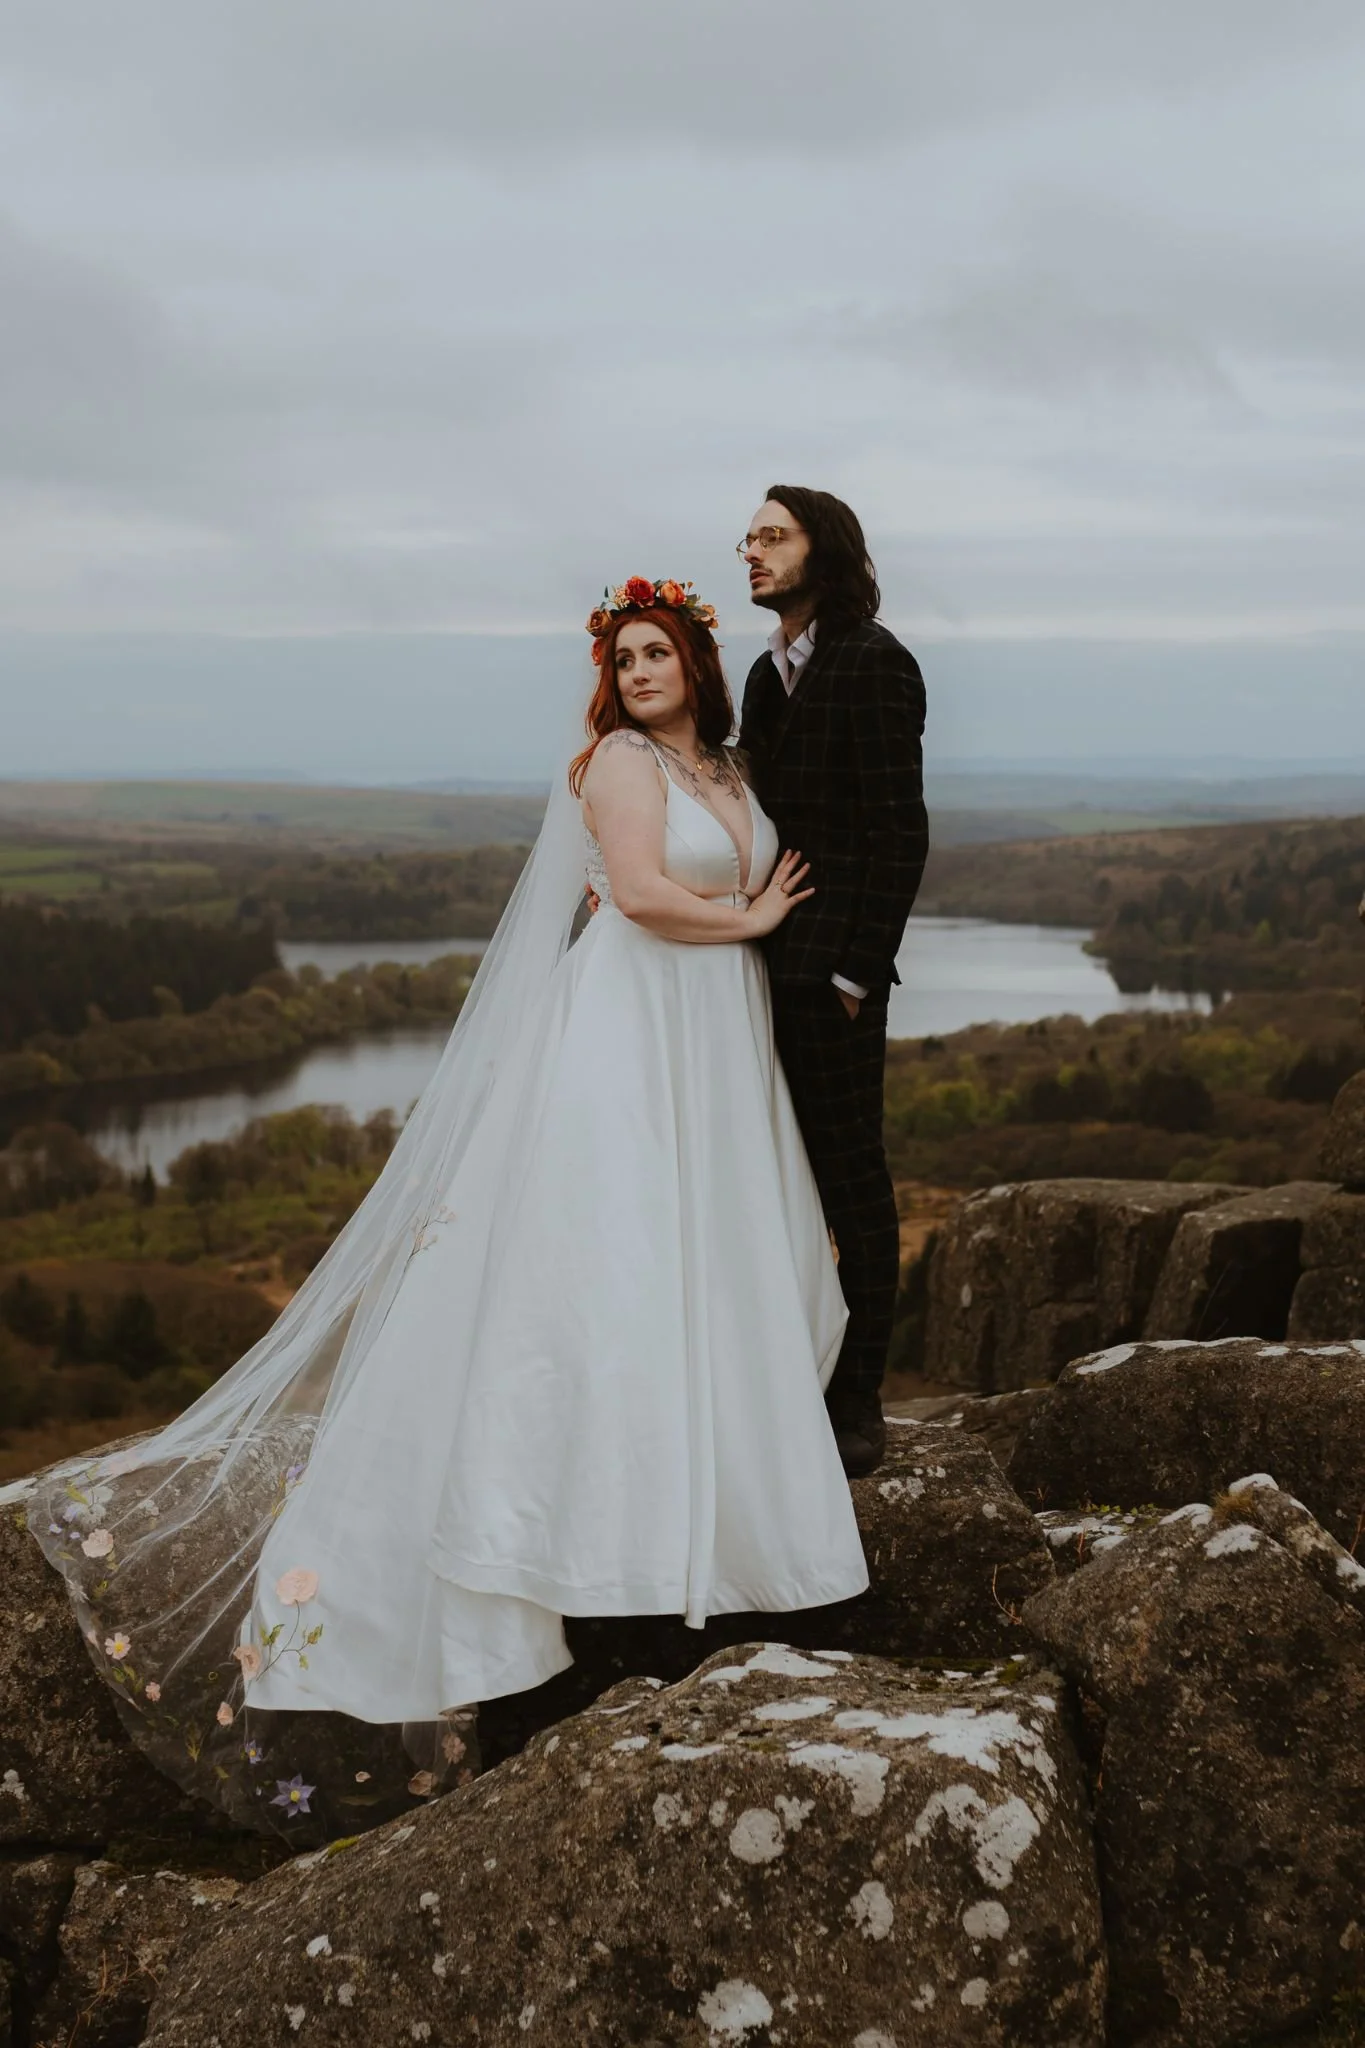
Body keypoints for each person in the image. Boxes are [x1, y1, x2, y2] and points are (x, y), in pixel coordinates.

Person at [15, 575, 869, 1840]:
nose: (638, 671)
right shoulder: (619, 763)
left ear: (695, 658)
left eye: (656, 652)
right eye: (622, 656)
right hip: (635, 1033)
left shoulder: (733, 768)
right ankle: (571, 1552)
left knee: (716, 1269)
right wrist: (752, 916)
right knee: (608, 1268)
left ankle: (716, 1531)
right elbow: (634, 894)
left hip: (717, 1038)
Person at [739, 488, 929, 1477]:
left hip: (833, 977)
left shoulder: (875, 660)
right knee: (774, 1178)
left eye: (772, 535)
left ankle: (856, 1402)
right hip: (759, 961)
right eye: (751, 538)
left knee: (852, 1184)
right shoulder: (767, 677)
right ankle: (788, 1376)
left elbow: (901, 830)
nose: (751, 551)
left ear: (827, 548)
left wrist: (858, 969)